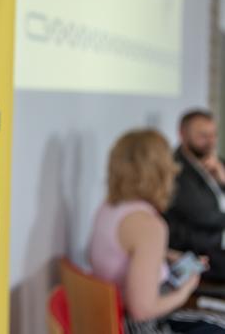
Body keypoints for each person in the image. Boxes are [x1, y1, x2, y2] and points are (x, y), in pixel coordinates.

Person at [88, 129, 224, 332]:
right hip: (139, 326)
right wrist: (186, 290)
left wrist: (167, 255)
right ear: (162, 171)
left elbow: (124, 252)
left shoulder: (109, 207)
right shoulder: (149, 225)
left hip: (107, 319)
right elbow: (141, 310)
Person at [165, 110, 225, 281]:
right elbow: (205, 216)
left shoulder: (218, 163)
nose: (210, 141)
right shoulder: (174, 169)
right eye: (203, 136)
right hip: (196, 252)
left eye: (213, 135)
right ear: (182, 134)